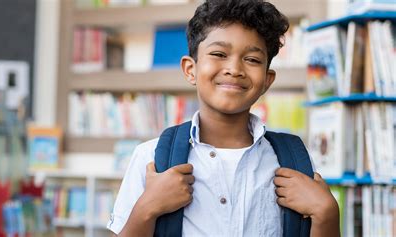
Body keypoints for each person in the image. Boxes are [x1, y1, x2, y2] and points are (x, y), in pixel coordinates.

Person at [107, 0, 340, 236]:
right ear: (191, 69)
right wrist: (147, 208)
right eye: (219, 54)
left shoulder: (292, 161)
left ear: (267, 80)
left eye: (252, 59)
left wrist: (327, 213)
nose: (234, 68)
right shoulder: (151, 159)